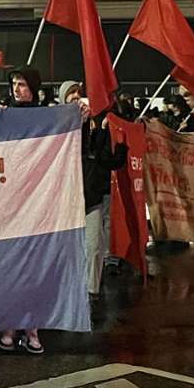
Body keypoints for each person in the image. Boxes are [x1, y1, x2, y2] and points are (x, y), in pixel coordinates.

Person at [0, 66, 45, 354]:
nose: (18, 89)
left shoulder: (48, 117)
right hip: (10, 204)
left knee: (35, 270)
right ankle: (10, 325)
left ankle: (33, 328)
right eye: (15, 84)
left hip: (39, 205)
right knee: (11, 269)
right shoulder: (4, 113)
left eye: (23, 85)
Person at [82, 110, 127, 298]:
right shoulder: (62, 133)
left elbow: (109, 160)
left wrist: (123, 144)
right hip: (67, 200)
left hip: (93, 197)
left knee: (94, 246)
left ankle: (91, 292)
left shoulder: (97, 134)